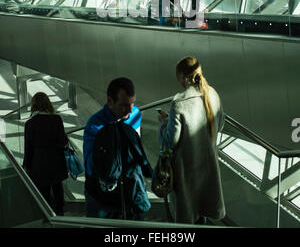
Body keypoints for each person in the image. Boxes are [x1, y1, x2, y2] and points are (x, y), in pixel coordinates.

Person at [157, 57, 225, 224]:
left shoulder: (179, 103)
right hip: (208, 169)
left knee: (185, 216)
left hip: (186, 171)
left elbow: (170, 141)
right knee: (203, 213)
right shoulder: (212, 94)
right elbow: (220, 124)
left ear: (182, 76)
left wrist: (164, 123)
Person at [83, 77, 151, 219]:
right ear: (110, 101)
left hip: (130, 192)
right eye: (124, 105)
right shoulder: (94, 126)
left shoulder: (135, 114)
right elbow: (90, 166)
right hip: (102, 197)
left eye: (132, 103)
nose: (130, 110)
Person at [23, 92, 68, 216]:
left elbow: (28, 147)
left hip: (39, 161)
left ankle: (48, 215)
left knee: (44, 190)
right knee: (58, 187)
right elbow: (63, 141)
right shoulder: (56, 119)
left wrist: (26, 166)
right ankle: (60, 213)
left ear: (34, 105)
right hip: (56, 160)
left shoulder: (30, 124)